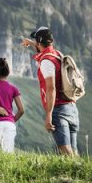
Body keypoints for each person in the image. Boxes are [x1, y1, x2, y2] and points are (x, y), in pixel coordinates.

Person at [21, 26, 79, 156]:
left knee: (65, 151)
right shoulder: (57, 54)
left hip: (58, 110)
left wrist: (49, 115)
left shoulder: (46, 62)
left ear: (39, 42)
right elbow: (42, 48)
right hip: (71, 108)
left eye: (35, 40)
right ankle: (82, 174)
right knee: (74, 151)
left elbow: (51, 89)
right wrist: (30, 43)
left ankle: (75, 176)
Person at [0, 58, 24, 152]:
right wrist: (12, 120)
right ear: (7, 72)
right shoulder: (13, 88)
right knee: (8, 151)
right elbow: (21, 110)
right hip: (9, 123)